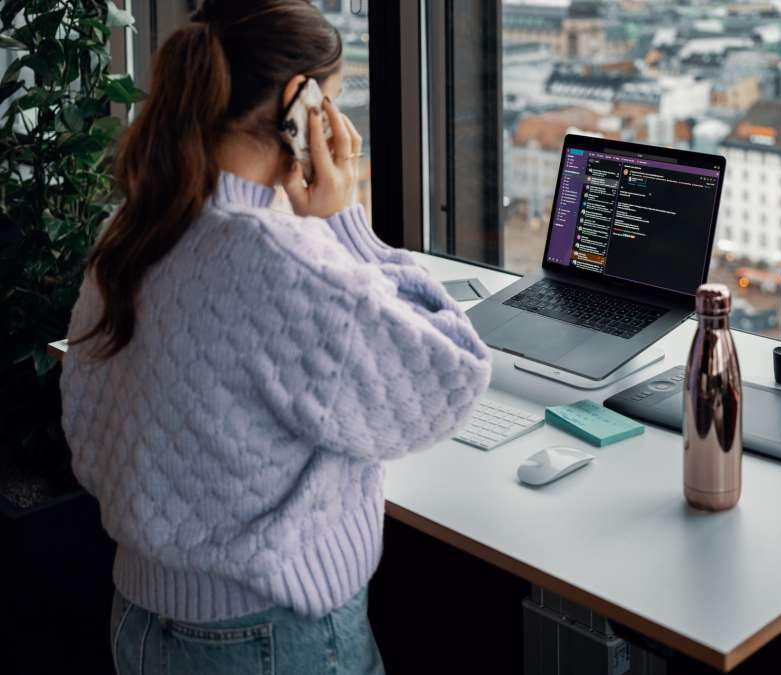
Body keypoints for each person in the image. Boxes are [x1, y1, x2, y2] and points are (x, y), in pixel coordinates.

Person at [59, 1, 490, 672]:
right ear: (300, 102)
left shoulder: (135, 228)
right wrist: (346, 224)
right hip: (266, 637)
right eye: (336, 102)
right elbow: (451, 375)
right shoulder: (282, 260)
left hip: (140, 619)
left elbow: (89, 426)